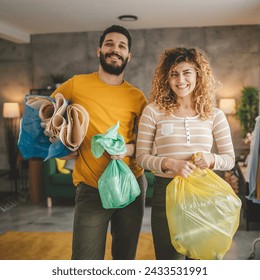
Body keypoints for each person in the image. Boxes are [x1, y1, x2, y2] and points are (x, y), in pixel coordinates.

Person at [51, 25, 148, 260]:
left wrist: (127, 149)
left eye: (121, 46)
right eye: (109, 44)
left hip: (130, 185)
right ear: (99, 51)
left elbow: (149, 143)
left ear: (129, 56)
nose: (115, 49)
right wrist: (59, 149)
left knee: (124, 259)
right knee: (85, 261)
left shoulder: (137, 97)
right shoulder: (76, 84)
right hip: (91, 187)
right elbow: (45, 116)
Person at [136, 47, 235, 260]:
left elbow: (229, 159)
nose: (180, 80)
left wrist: (210, 159)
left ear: (198, 74)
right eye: (174, 73)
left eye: (187, 72)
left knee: (200, 261)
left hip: (203, 194)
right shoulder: (153, 111)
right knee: (168, 261)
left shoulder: (214, 114)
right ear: (166, 78)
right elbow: (141, 158)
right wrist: (170, 164)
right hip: (166, 194)